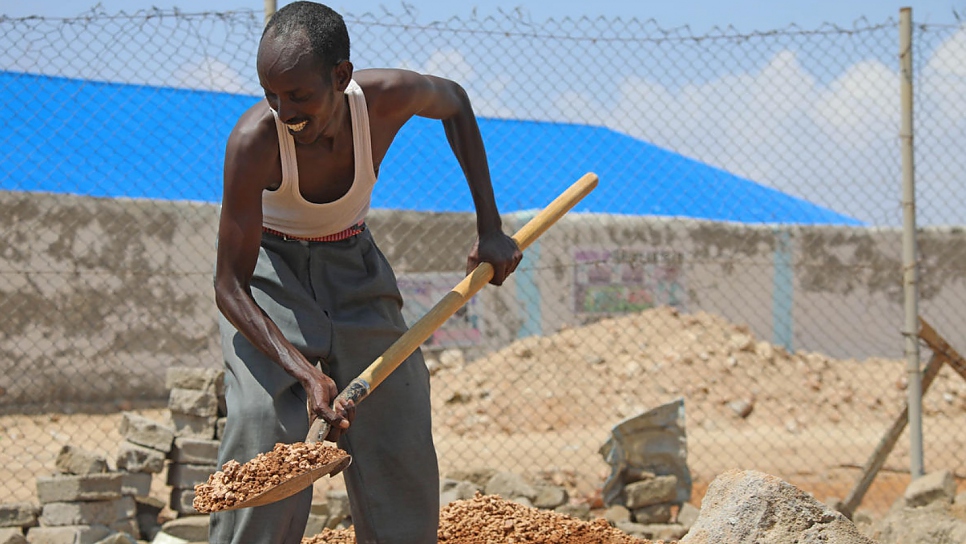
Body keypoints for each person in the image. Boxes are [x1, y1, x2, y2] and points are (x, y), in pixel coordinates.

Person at [209, 1, 523, 543]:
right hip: (269, 279)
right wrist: (304, 371)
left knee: (395, 427)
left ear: (341, 75)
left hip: (355, 269)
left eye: (300, 95)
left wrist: (490, 227)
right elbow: (229, 286)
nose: (285, 111)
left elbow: (456, 103)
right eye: (271, 95)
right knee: (264, 429)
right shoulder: (253, 142)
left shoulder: (386, 99)